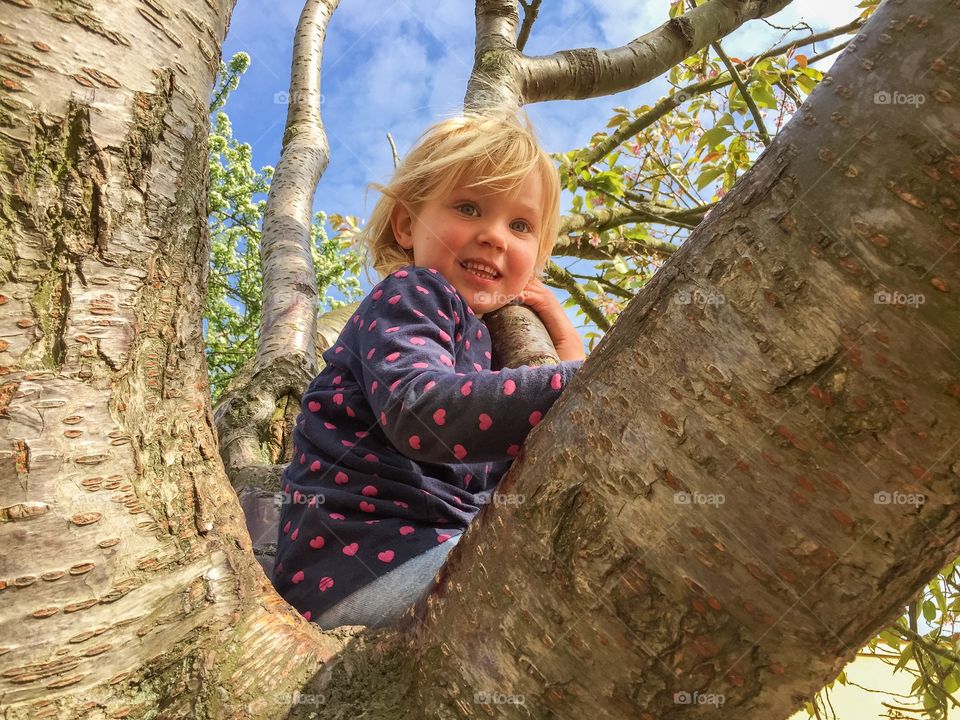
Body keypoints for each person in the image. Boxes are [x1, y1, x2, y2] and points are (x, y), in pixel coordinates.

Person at [271, 111, 586, 630]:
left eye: (521, 225)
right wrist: (576, 381)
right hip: (368, 569)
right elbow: (422, 411)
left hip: (423, 560)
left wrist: (559, 327)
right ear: (406, 224)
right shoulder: (414, 293)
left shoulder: (484, 345)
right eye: (468, 208)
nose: (495, 236)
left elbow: (568, 421)